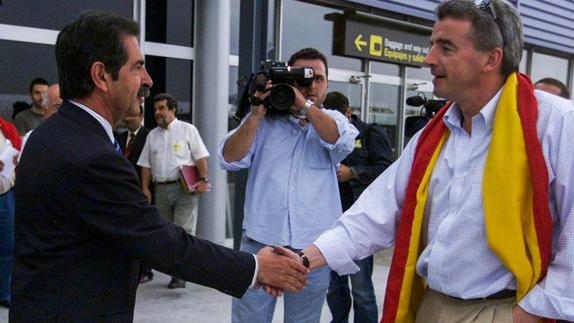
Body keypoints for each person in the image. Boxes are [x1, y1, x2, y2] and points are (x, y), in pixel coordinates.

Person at [11, 11, 308, 323]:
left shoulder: (45, 137)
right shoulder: (91, 157)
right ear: (101, 75)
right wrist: (256, 267)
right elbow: (165, 245)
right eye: (138, 67)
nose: (148, 80)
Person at [288, 0, 574, 322]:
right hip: (431, 306)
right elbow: (375, 212)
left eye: (446, 47)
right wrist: (306, 257)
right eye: (431, 44)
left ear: (491, 58)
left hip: (505, 310)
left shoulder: (556, 124)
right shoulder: (434, 135)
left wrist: (530, 313)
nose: (429, 59)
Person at [219, 47, 358, 323]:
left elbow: (341, 142)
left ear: (328, 83)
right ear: (287, 80)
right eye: (303, 78)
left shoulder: (334, 120)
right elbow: (228, 158)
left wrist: (304, 106)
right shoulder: (263, 121)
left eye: (318, 78)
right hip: (260, 243)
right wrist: (256, 113)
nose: (311, 85)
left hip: (312, 250)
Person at [323, 91, 393, 323]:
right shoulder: (321, 134)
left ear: (348, 114)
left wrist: (352, 173)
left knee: (361, 288)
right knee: (334, 286)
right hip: (329, 221)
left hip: (359, 221)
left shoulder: (371, 133)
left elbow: (386, 170)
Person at [138, 92, 210, 289]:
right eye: (155, 109)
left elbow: (201, 157)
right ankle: (177, 270)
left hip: (184, 189)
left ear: (173, 109)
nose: (157, 113)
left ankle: (181, 274)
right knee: (166, 233)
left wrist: (203, 179)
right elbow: (145, 165)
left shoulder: (188, 130)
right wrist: (145, 188)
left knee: (182, 231)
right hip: (161, 190)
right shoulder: (152, 135)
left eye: (162, 108)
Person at [115, 104, 153, 284]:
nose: (129, 119)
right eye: (126, 115)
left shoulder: (149, 136)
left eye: (133, 115)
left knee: (144, 230)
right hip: (122, 193)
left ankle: (146, 269)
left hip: (143, 191)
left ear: (141, 115)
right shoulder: (118, 138)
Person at [0, 117, 21, 309]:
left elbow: (17, 148)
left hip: (5, 196)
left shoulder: (5, 127)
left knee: (7, 247)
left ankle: (4, 292)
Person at [20, 83, 62, 151]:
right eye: (57, 107)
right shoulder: (32, 137)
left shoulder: (78, 134)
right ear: (45, 109)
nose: (63, 111)